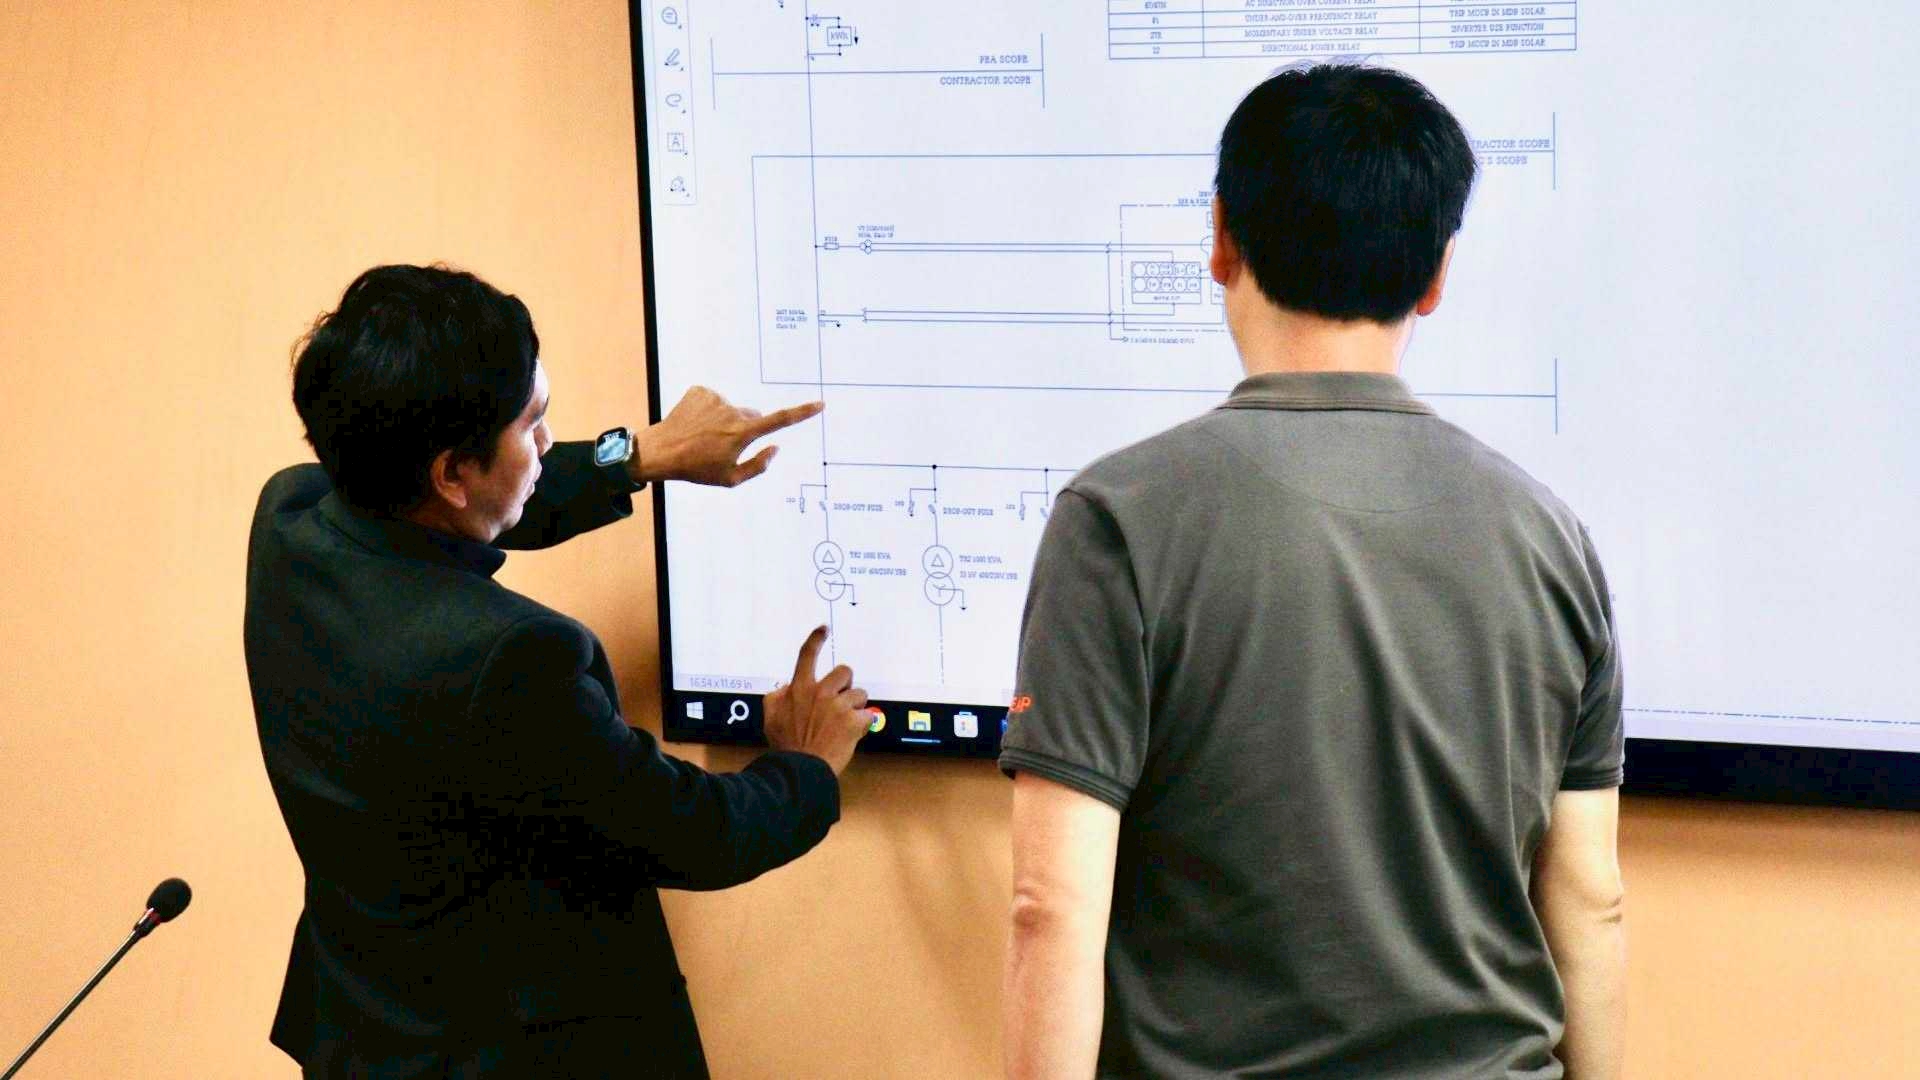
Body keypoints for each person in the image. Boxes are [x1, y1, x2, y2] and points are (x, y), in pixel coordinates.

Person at [999, 63, 1627, 1079]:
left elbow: (1050, 907)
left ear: (1220, 239)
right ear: (1436, 274)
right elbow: (1591, 901)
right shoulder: (1550, 537)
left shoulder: (1119, 520)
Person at [244, 263, 872, 1078]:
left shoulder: (292, 520)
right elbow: (691, 832)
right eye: (533, 423)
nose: (546, 442)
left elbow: (475, 505)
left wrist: (635, 455)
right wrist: (808, 765)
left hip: (360, 1035)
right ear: (451, 471)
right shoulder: (509, 660)